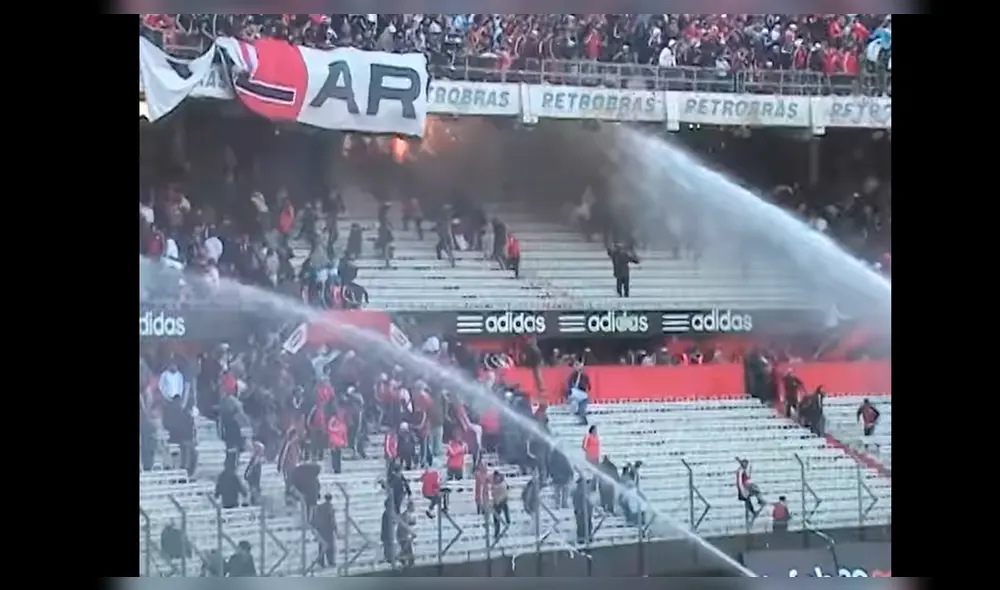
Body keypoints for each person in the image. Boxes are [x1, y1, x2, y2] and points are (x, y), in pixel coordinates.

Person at [311, 493, 339, 569]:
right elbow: (332, 519)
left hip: (321, 528)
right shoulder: (330, 507)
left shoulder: (320, 507)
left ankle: (321, 561)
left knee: (322, 545)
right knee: (330, 546)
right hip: (328, 528)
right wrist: (336, 530)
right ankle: (330, 561)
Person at [566, 360, 591, 425]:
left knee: (582, 409)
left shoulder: (584, 375)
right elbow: (569, 384)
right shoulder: (573, 375)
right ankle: (580, 420)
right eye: (575, 365)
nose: (576, 367)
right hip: (576, 395)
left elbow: (589, 386)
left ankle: (584, 421)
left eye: (578, 365)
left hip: (582, 395)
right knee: (576, 407)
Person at [490, 471, 511, 542]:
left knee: (497, 516)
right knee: (498, 515)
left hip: (500, 501)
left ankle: (498, 532)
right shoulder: (497, 483)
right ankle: (507, 522)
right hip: (498, 500)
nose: (495, 479)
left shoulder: (501, 484)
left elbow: (503, 492)